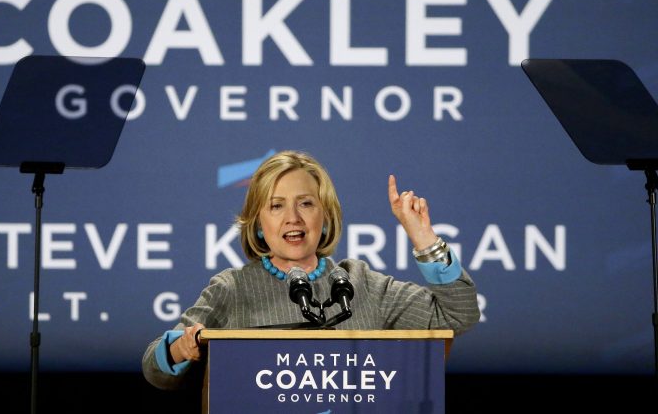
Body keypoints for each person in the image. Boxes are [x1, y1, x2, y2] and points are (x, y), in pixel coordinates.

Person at [142, 150, 479, 393]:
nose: (293, 218)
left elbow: (458, 314)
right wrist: (180, 348)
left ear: (325, 216)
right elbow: (155, 369)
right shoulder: (233, 289)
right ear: (258, 225)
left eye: (306, 203)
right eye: (276, 206)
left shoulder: (361, 283)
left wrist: (423, 238)